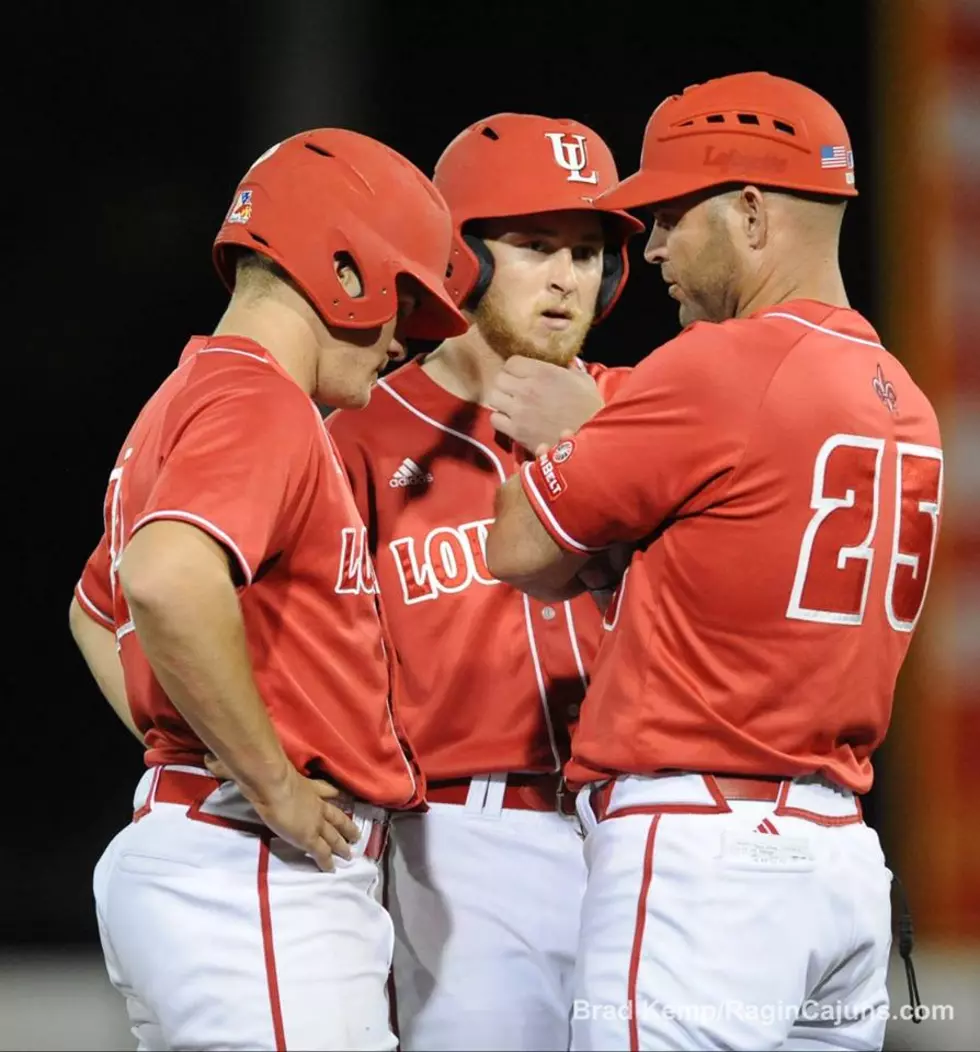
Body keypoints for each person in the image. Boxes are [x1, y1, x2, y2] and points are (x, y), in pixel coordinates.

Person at [486, 72, 943, 1052]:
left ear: (744, 209)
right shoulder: (903, 396)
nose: (646, 248)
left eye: (664, 215)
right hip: (838, 860)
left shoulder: (718, 364)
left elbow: (518, 548)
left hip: (702, 855)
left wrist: (581, 433)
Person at [67, 128, 469, 1052]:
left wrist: (209, 737)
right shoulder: (263, 401)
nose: (405, 337)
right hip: (252, 861)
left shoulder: (183, 396)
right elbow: (165, 583)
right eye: (405, 295)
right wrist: (273, 783)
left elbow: (97, 612)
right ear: (345, 266)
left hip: (198, 848)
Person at [325, 112, 643, 1051]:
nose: (566, 277)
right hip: (466, 841)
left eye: (588, 252)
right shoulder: (362, 431)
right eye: (534, 245)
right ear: (458, 260)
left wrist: (601, 450)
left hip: (645, 829)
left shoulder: (648, 411)